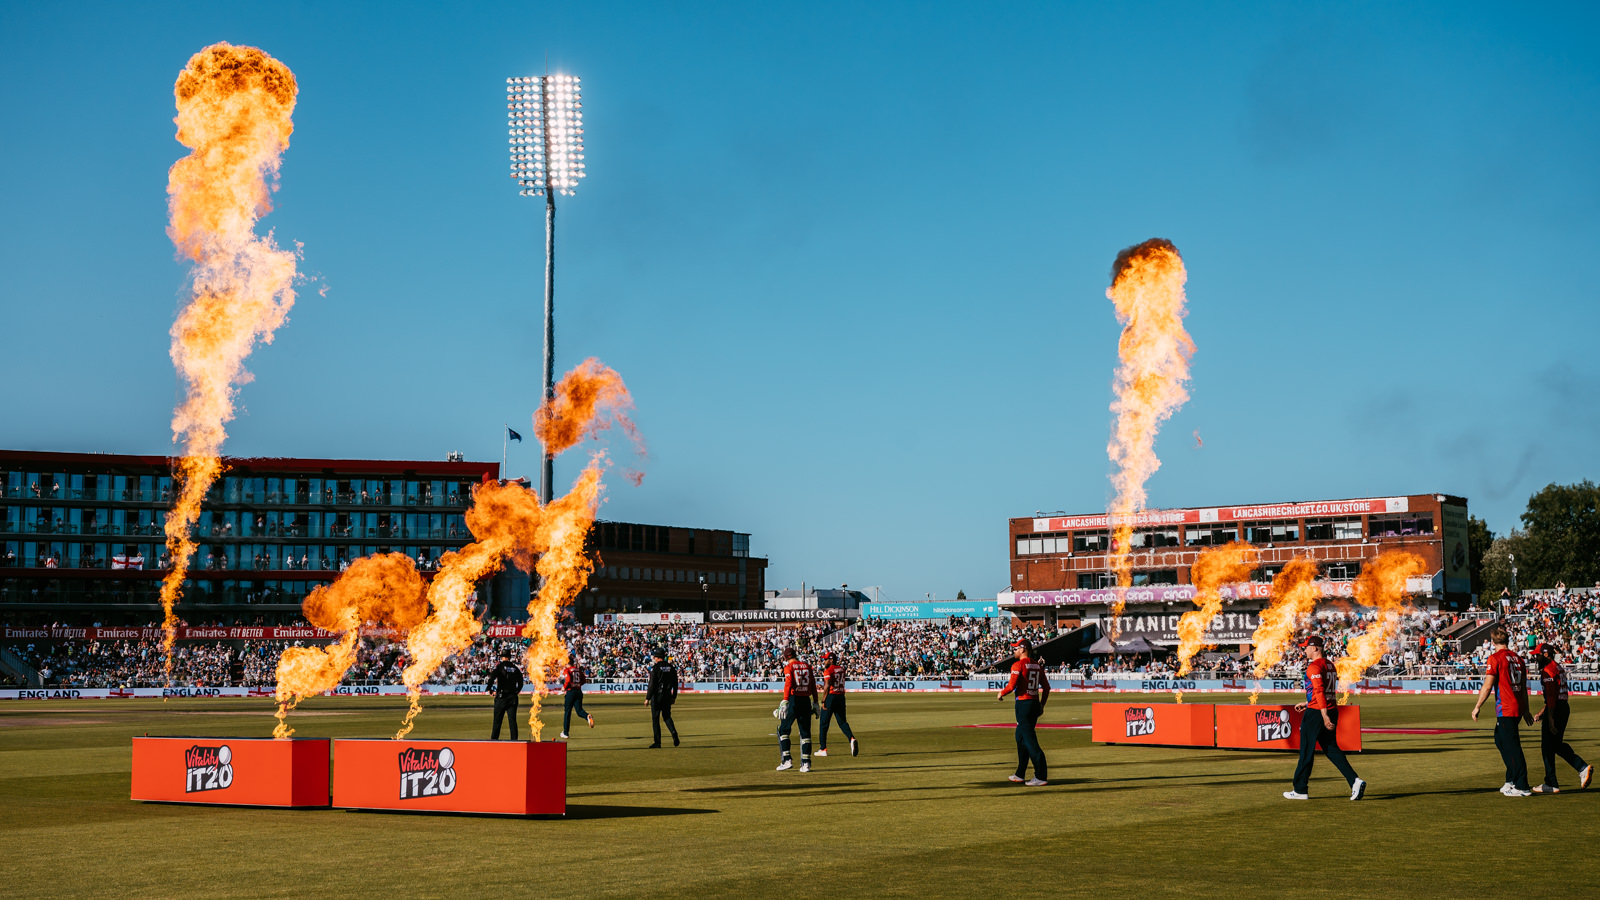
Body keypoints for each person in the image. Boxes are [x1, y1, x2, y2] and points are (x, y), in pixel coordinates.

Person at [1283, 635, 1365, 800]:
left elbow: (1319, 691)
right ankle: (1354, 780)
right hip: (1328, 708)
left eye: (1306, 647)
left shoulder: (1313, 667)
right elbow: (1325, 692)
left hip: (1318, 713)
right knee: (1331, 748)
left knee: (1306, 750)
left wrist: (1323, 714)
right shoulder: (1330, 665)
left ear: (1315, 648)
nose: (1304, 650)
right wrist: (1308, 704)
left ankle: (1300, 789)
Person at [1471, 626, 1533, 796]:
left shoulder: (1495, 658)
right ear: (1507, 641)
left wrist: (1477, 706)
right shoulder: (1518, 659)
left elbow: (1488, 685)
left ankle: (1522, 786)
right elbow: (1523, 688)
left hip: (1506, 708)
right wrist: (1526, 709)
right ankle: (1511, 779)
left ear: (1493, 642)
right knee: (1500, 740)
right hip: (1517, 707)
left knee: (1512, 747)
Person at [1530, 642, 1593, 793]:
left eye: (1537, 655)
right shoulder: (1557, 667)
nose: (1535, 658)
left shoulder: (1548, 670)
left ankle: (1552, 782)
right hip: (1562, 707)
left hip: (1556, 709)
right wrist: (1542, 713)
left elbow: (1552, 697)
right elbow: (1555, 696)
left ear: (1545, 654)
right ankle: (1582, 768)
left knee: (1547, 747)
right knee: (1556, 745)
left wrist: (1550, 719)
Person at [997, 638, 1050, 786]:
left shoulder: (1018, 664)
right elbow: (1046, 687)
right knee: (1020, 737)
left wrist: (1001, 693)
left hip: (1023, 704)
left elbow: (1011, 685)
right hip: (1033, 703)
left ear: (1023, 649)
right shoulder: (1037, 666)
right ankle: (1020, 773)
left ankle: (1041, 775)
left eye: (1016, 648)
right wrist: (1042, 705)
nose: (1014, 651)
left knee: (1029, 740)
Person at [775, 647, 817, 772]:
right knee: (805, 732)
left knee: (784, 730)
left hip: (794, 699)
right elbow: (813, 685)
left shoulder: (789, 667)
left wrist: (785, 700)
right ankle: (806, 763)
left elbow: (788, 683)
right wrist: (815, 702)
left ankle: (787, 760)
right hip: (806, 700)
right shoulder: (807, 666)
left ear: (785, 657)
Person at [816, 651, 858, 758]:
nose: (823, 661)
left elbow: (828, 685)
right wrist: (824, 686)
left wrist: (823, 700)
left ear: (831, 660)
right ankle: (851, 739)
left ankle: (823, 748)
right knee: (842, 722)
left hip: (831, 697)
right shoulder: (841, 669)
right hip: (840, 697)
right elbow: (832, 684)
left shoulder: (828, 670)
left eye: (825, 659)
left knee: (823, 724)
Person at [644, 647, 680, 748]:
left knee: (655, 718)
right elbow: (675, 684)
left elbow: (652, 684)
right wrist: (674, 697)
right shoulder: (671, 668)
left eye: (655, 657)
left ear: (658, 657)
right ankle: (673, 733)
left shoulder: (655, 668)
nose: (654, 658)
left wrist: (648, 698)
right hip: (667, 695)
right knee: (667, 716)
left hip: (657, 695)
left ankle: (657, 742)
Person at [486, 652, 524, 741]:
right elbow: (521, 682)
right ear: (509, 657)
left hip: (501, 697)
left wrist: (489, 688)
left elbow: (492, 677)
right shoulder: (515, 668)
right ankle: (514, 741)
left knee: (497, 721)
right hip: (512, 697)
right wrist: (516, 691)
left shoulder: (500, 667)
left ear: (502, 657)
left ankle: (494, 741)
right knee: (512, 721)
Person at [560, 657, 595, 740]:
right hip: (578, 691)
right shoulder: (577, 669)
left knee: (567, 712)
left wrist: (564, 687)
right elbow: (584, 680)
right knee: (579, 710)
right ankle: (587, 716)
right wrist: (577, 685)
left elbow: (568, 680)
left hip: (571, 692)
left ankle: (565, 732)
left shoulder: (567, 670)